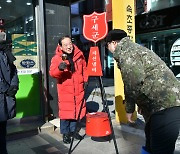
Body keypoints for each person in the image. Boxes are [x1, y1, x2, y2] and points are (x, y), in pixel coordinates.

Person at [106, 29, 180, 154]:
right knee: (152, 146)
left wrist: (129, 109)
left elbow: (132, 83)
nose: (108, 49)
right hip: (162, 106)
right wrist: (142, 104)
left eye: (107, 45)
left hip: (164, 107)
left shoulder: (127, 53)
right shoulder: (136, 49)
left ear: (113, 43)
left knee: (159, 149)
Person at [49, 35, 88, 144]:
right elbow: (52, 73)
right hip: (65, 90)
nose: (69, 46)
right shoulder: (57, 58)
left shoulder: (79, 55)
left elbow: (84, 69)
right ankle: (65, 134)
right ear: (60, 47)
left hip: (78, 88)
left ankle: (74, 131)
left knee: (76, 112)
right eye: (65, 45)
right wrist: (59, 69)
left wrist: (85, 80)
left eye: (70, 43)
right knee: (66, 113)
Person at [0, 24, 19, 154]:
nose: (2, 33)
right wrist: (5, 87)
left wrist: (14, 85)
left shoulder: (5, 51)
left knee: (2, 132)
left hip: (4, 99)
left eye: (2, 30)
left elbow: (13, 70)